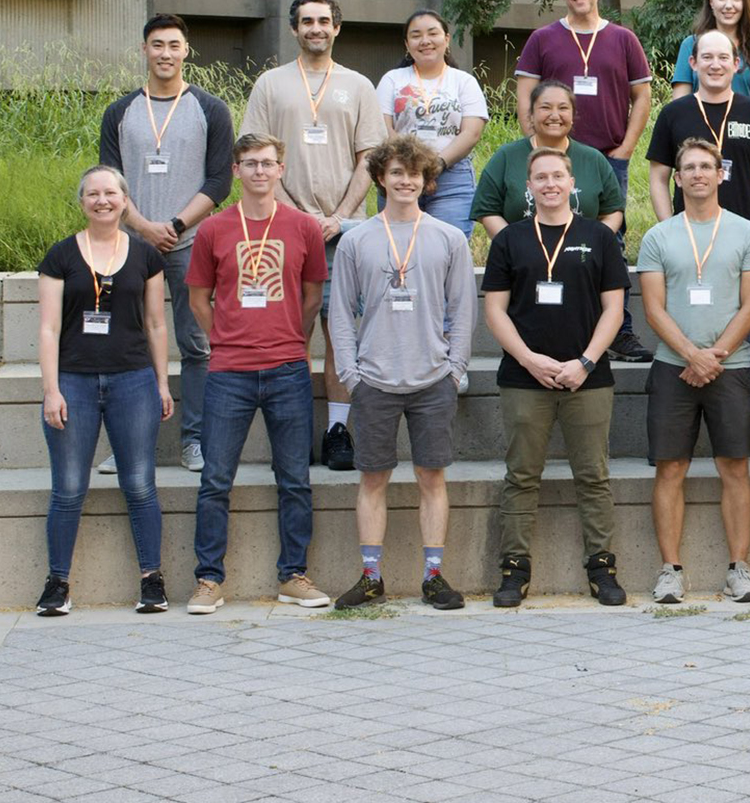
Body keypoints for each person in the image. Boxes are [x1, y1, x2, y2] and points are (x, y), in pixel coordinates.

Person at [326, 135, 475, 612]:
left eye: (414, 174)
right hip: (374, 379)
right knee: (373, 479)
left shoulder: (448, 238)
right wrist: (351, 374)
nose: (405, 181)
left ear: (427, 181)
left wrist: (454, 370)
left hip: (432, 379)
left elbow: (463, 311)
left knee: (432, 478)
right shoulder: (357, 240)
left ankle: (433, 575)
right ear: (380, 179)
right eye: (395, 173)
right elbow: (340, 314)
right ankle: (371, 576)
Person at [239, 0, 386, 471]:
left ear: (337, 28)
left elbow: (371, 157)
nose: (316, 28)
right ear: (294, 28)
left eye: (324, 20)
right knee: (291, 335)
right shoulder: (270, 84)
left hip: (346, 233)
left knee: (341, 335)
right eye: (307, 21)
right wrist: (298, 216)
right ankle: (296, 429)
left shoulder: (359, 85)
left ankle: (338, 431)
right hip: (284, 230)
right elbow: (257, 154)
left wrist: (340, 215)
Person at [183, 134, 329, 615]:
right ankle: (209, 580)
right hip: (229, 371)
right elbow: (198, 299)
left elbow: (312, 297)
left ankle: (293, 575)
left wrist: (291, 336)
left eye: (268, 163)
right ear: (236, 170)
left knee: (294, 479)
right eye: (250, 163)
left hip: (288, 368)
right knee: (215, 479)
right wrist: (224, 337)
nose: (260, 172)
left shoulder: (303, 227)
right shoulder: (213, 230)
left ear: (282, 169)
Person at [481, 147, 631, 609]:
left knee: (594, 477)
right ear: (528, 187)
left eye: (557, 176)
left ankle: (602, 569)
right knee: (521, 476)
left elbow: (615, 309)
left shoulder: (600, 237)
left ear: (572, 184)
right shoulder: (509, 240)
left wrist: (584, 362)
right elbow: (494, 311)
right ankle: (514, 570)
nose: (549, 184)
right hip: (525, 378)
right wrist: (530, 360)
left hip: (588, 376)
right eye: (540, 177)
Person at [95, 13, 232, 476]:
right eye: (157, 45)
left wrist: (173, 224)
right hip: (130, 245)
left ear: (186, 50)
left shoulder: (210, 109)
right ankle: (129, 443)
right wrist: (143, 227)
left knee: (196, 345)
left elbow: (219, 181)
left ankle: (192, 441)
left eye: (174, 45)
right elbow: (109, 182)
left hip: (191, 242)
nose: (166, 53)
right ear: (144, 50)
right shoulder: (120, 112)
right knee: (124, 345)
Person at [34, 166, 173, 616]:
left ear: (125, 199)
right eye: (92, 194)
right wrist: (51, 390)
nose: (102, 201)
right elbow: (49, 328)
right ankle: (58, 583)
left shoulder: (146, 257)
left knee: (139, 484)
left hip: (132, 381)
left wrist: (161, 382)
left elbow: (155, 323)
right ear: (82, 202)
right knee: (69, 488)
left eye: (110, 193)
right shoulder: (60, 256)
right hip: (73, 381)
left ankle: (152, 580)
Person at [636, 138, 750, 605]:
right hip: (674, 367)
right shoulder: (659, 236)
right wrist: (691, 355)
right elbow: (653, 310)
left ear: (721, 174)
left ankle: (739, 569)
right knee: (670, 468)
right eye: (687, 167)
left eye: (705, 166)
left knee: (734, 465)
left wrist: (713, 355)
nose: (696, 174)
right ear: (676, 178)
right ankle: (670, 570)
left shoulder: (748, 233)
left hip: (730, 368)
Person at [647, 29, 750, 465]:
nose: (713, 64)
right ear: (693, 64)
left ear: (737, 64)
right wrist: (666, 228)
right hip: (684, 240)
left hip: (741, 246)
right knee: (682, 333)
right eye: (705, 57)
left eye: (722, 57)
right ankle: (671, 436)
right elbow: (656, 175)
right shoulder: (674, 113)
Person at [513, 0, 654, 362]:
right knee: (556, 244)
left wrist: (625, 148)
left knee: (610, 244)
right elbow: (526, 95)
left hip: (607, 159)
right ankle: (567, 331)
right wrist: (536, 147)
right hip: (555, 159)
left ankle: (620, 332)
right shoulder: (543, 39)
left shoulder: (623, 38)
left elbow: (641, 96)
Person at [375, 10, 488, 237]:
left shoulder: (463, 81)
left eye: (432, 33)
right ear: (407, 44)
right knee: (398, 248)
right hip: (400, 176)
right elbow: (382, 127)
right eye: (416, 35)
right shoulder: (392, 80)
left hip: (451, 178)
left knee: (446, 246)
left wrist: (434, 167)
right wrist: (414, 169)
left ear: (446, 39)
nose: (425, 41)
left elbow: (471, 133)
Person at [471, 80, 625, 235]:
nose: (554, 115)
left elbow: (613, 212)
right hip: (518, 256)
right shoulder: (506, 156)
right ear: (531, 115)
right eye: (545, 107)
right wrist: (512, 245)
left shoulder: (593, 159)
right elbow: (487, 210)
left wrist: (593, 244)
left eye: (563, 108)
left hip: (581, 254)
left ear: (573, 116)